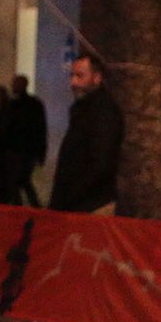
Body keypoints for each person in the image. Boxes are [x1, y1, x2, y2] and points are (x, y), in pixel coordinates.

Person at [50, 54, 123, 214]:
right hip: (80, 202)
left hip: (90, 205)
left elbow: (100, 162)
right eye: (72, 75)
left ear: (96, 78)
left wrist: (71, 196)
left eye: (80, 76)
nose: (73, 82)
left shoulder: (103, 112)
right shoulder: (84, 110)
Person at [0, 74, 47, 207]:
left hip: (18, 149)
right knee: (22, 181)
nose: (13, 86)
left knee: (16, 181)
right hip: (24, 149)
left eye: (15, 84)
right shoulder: (32, 104)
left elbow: (7, 128)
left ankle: (23, 207)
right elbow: (41, 129)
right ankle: (32, 207)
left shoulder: (15, 105)